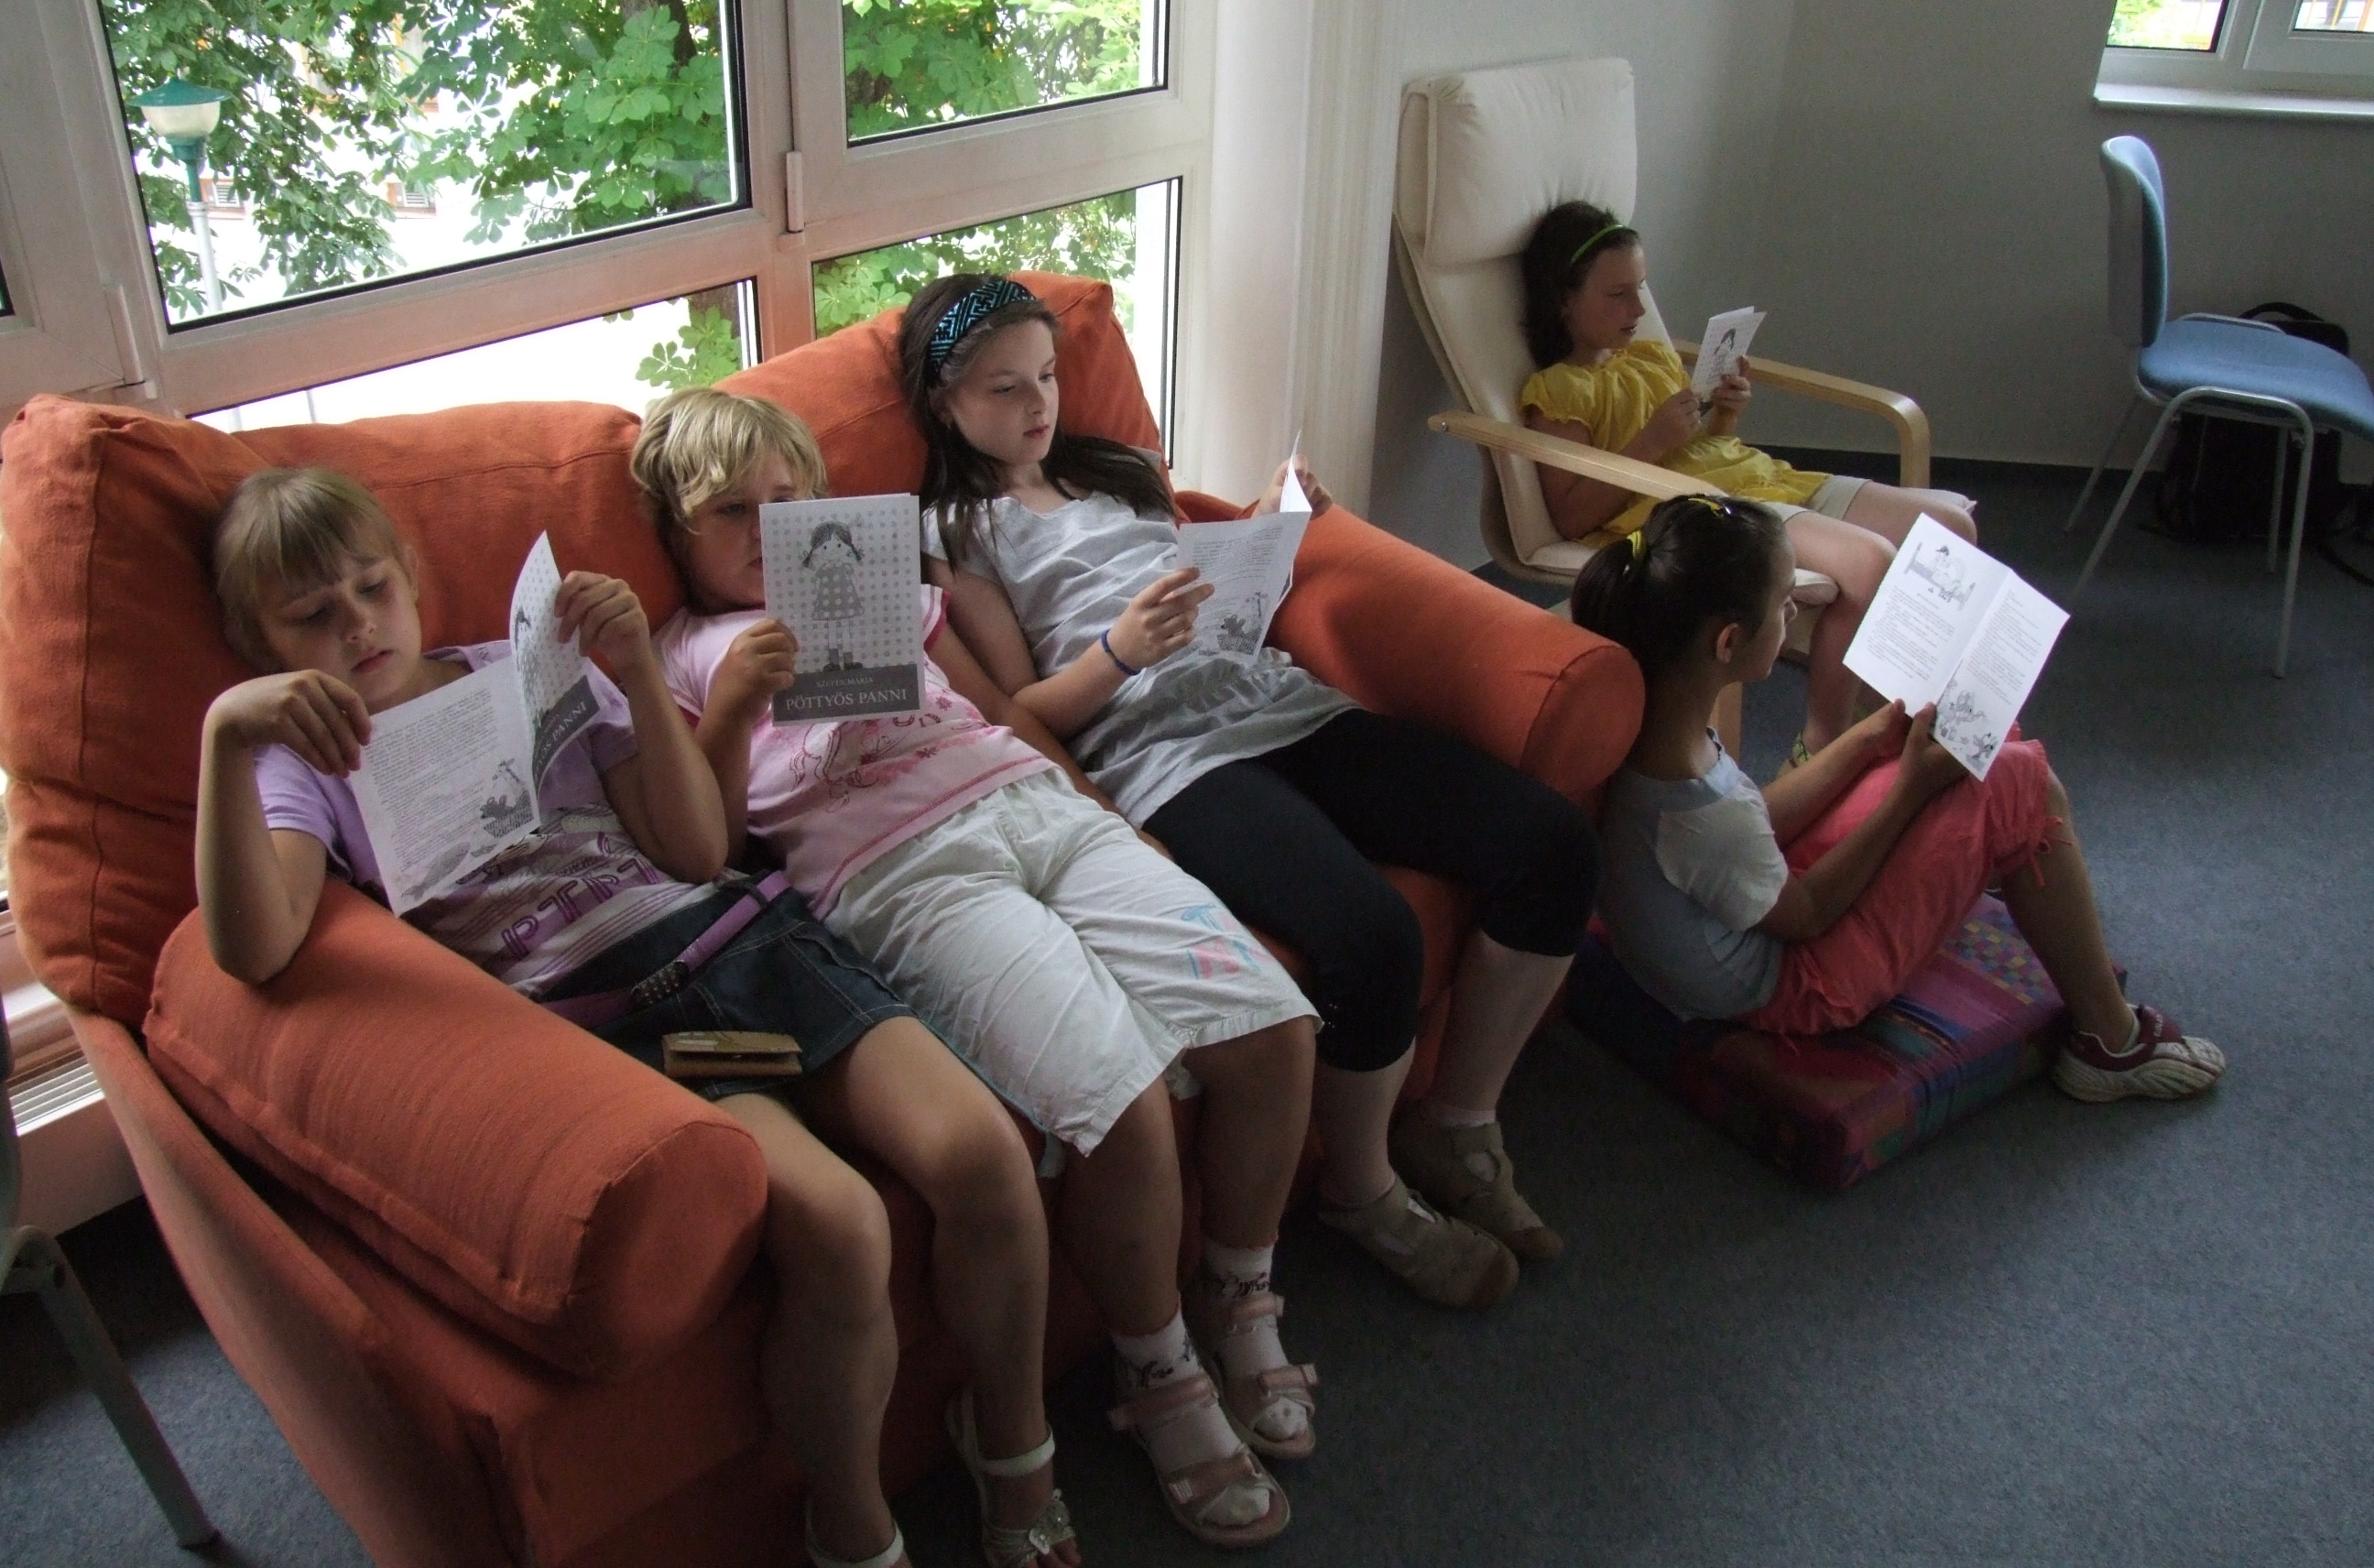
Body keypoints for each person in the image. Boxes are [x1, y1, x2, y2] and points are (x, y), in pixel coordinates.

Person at [193, 468, 1061, 1568]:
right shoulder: (299, 764)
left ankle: (1014, 1443)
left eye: (372, 589)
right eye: (312, 615)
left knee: (983, 1152)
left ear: (411, 581)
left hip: (744, 940)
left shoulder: (515, 667)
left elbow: (694, 851)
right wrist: (226, 736)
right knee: (842, 1227)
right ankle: (852, 1525)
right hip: (622, 1018)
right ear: (260, 645)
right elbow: (254, 945)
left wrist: (638, 672)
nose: (358, 626)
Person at [632, 390, 1317, 1551]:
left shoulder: (884, 588)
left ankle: (1239, 1294)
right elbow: (703, 841)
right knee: (1123, 1104)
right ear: (676, 535)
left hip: (1033, 803)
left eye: (787, 502)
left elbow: (1001, 711)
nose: (765, 528)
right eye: (731, 512)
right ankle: (1157, 1368)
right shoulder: (683, 655)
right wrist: (737, 705)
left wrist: (1103, 809)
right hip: (899, 869)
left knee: (1271, 1029)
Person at [900, 273, 1603, 1317]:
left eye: (1046, 376)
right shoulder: (957, 528)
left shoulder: (1116, 471)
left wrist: (1277, 525)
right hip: (1163, 757)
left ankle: (1457, 1123)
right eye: (1004, 389)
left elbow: (1220, 590)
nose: (1038, 404)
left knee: (1550, 844)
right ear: (944, 401)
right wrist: (1118, 652)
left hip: (1277, 700)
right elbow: (1018, 707)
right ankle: (1364, 1191)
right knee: (1371, 936)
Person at [1571, 492, 2227, 1104]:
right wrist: (1909, 790)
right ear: (1728, 642)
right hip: (1794, 985)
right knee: (2015, 781)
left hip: (1738, 925)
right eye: (1784, 603)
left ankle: (1991, 852)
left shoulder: (1654, 733)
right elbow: (1807, 913)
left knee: (1968, 747)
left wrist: (1870, 738)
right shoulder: (1696, 810)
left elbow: (1751, 819)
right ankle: (2110, 1042)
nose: (1793, 613)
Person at [1517, 201, 1980, 757]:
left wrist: (1726, 413)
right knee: (1871, 563)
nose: (1638, 308)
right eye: (1618, 294)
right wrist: (1652, 440)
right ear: (1563, 299)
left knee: (1952, 530)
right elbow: (1571, 515)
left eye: (1640, 288)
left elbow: (1703, 448)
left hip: (1766, 480)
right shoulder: (1559, 391)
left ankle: (1898, 704)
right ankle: (1824, 743)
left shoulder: (1649, 358)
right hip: (1714, 512)